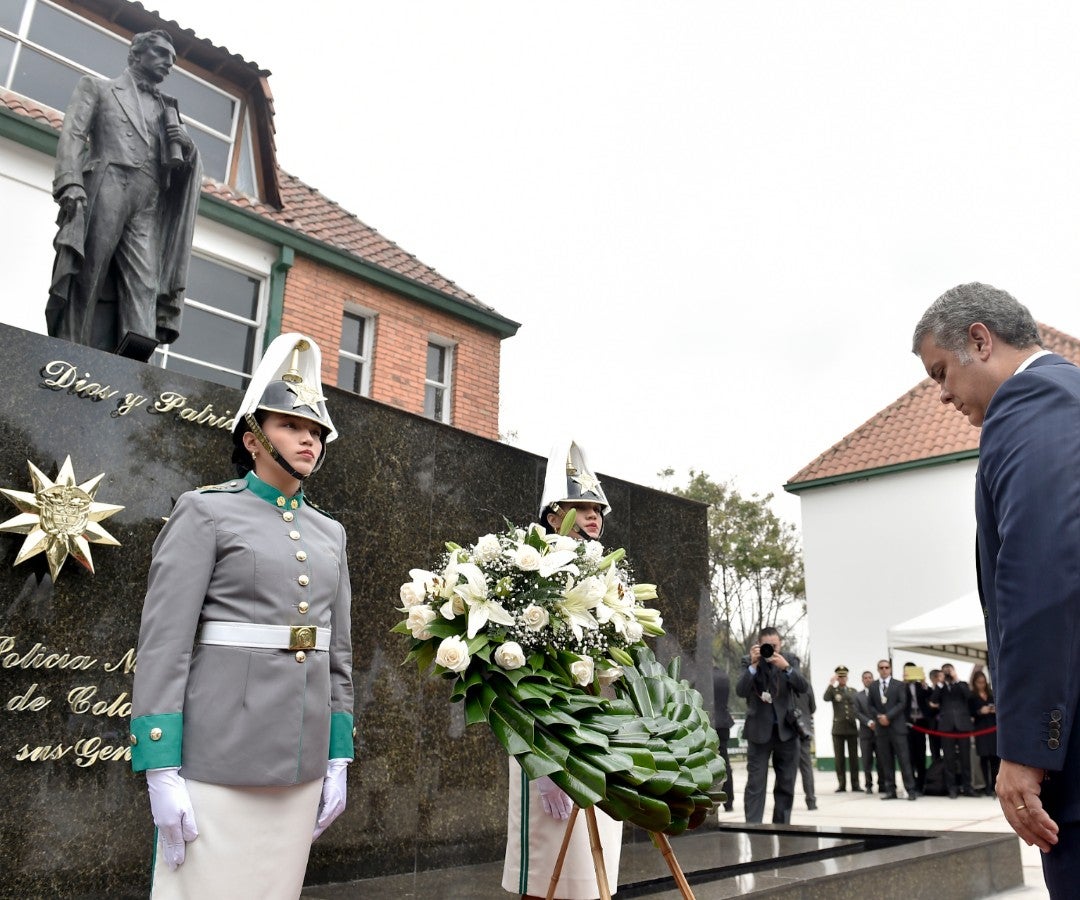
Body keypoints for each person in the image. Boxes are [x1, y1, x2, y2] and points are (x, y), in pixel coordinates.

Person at [129, 334, 355, 898]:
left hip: (302, 762)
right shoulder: (206, 511)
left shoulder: (330, 533)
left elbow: (337, 653)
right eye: (290, 426)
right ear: (253, 439)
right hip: (218, 757)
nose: (308, 439)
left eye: (316, 431)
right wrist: (160, 764)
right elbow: (164, 643)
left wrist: (338, 754)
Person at [914, 282, 1077, 895]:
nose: (942, 393)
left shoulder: (1034, 403)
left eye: (941, 372)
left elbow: (1042, 576)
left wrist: (1028, 748)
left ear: (980, 340)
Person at [503, 439, 622, 899]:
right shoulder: (529, 575)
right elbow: (517, 674)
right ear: (554, 517)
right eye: (582, 508)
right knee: (548, 872)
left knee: (594, 874)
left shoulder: (607, 576)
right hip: (547, 737)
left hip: (599, 738)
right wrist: (542, 764)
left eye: (598, 510)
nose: (594, 516)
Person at [46, 28, 201, 361]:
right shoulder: (98, 88)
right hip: (108, 184)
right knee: (89, 272)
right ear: (136, 54)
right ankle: (68, 354)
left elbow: (183, 165)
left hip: (149, 202)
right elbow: (73, 136)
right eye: (161, 53)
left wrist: (187, 147)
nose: (169, 63)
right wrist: (70, 182)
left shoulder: (168, 110)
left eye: (173, 59)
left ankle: (136, 370)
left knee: (145, 283)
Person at [735, 627, 809, 823]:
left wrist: (787, 668)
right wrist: (753, 666)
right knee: (755, 784)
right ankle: (753, 828)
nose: (771, 650)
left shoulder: (789, 660)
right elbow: (740, 691)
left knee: (786, 783)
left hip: (787, 732)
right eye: (767, 646)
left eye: (774, 646)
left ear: (780, 644)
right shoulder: (748, 661)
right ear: (759, 645)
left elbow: (803, 687)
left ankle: (781, 827)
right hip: (758, 732)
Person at [867, 660, 918, 801]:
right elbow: (870, 705)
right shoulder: (873, 686)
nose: (884, 670)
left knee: (904, 760)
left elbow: (902, 703)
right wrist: (879, 716)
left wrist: (888, 716)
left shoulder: (899, 684)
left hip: (897, 728)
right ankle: (890, 790)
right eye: (881, 668)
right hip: (881, 729)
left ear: (890, 669)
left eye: (886, 667)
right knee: (886, 761)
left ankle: (910, 789)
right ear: (878, 669)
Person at [930, 663, 975, 798]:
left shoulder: (962, 684)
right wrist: (940, 682)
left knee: (965, 758)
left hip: (963, 726)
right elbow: (933, 700)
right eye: (945, 671)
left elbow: (969, 696)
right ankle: (952, 788)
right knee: (948, 758)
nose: (948, 673)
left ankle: (967, 787)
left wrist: (956, 678)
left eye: (949, 671)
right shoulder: (941, 687)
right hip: (947, 727)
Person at [823, 666, 861, 792]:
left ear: (847, 677)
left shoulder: (853, 691)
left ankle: (855, 784)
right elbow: (826, 698)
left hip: (851, 728)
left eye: (844, 676)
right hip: (838, 729)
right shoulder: (833, 691)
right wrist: (831, 683)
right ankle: (841, 784)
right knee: (839, 759)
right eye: (840, 677)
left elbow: (857, 705)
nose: (842, 679)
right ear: (837, 678)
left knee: (854, 758)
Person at [903, 663, 933, 795]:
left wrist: (924, 682)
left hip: (921, 724)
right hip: (908, 724)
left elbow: (931, 695)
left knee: (921, 755)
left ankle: (921, 785)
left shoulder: (921, 686)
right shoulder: (901, 687)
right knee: (909, 756)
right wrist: (905, 683)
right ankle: (912, 785)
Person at [969, 670, 999, 797]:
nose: (981, 685)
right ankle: (986, 786)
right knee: (983, 758)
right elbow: (970, 713)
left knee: (994, 759)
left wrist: (994, 710)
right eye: (979, 682)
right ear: (975, 683)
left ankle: (994, 786)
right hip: (980, 729)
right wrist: (980, 711)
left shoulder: (992, 694)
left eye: (983, 682)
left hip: (993, 728)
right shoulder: (972, 697)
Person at [712, 666, 736, 812]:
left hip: (710, 720)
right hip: (723, 722)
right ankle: (729, 801)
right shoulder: (723, 675)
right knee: (725, 763)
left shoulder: (701, 674)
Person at [854, 670, 880, 793]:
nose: (868, 679)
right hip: (865, 733)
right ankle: (868, 785)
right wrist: (869, 722)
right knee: (866, 760)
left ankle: (883, 783)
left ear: (873, 679)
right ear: (862, 680)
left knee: (882, 759)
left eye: (870, 677)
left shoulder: (879, 694)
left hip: (879, 732)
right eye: (865, 678)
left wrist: (877, 722)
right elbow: (856, 712)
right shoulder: (857, 696)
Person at [794, 685, 817, 810]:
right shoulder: (806, 685)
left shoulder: (780, 681)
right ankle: (811, 800)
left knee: (784, 767)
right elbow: (813, 707)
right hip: (804, 730)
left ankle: (784, 801)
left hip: (787, 730)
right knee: (806, 767)